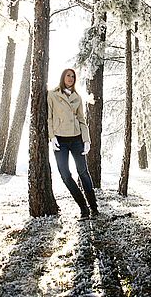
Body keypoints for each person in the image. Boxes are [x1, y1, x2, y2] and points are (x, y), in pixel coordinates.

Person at [47, 68, 99, 219]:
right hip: (60, 141)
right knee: (65, 174)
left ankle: (93, 207)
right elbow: (49, 117)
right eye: (68, 75)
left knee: (83, 173)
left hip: (76, 139)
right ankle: (83, 207)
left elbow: (82, 120)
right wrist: (52, 137)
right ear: (62, 77)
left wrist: (86, 140)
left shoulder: (77, 97)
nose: (70, 78)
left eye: (73, 76)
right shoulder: (52, 94)